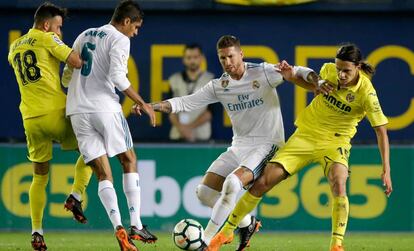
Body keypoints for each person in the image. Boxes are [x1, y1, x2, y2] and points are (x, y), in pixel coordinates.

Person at [208, 44, 393, 251]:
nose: (340, 74)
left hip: (335, 142)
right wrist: (291, 76)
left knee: (339, 183)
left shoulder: (367, 93)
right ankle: (227, 231)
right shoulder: (328, 71)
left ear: (358, 67)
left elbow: (381, 131)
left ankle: (336, 245)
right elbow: (312, 86)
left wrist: (386, 169)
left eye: (346, 70)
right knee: (263, 182)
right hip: (305, 135)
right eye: (338, 68)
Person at [147, 35, 318, 251]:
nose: (227, 62)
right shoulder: (220, 85)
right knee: (204, 193)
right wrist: (151, 106)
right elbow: (184, 103)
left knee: (231, 184)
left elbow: (296, 71)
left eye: (231, 56)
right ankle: (247, 223)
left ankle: (207, 242)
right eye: (222, 59)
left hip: (267, 143)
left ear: (241, 54)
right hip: (239, 146)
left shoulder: (262, 71)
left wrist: (317, 80)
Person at [63, 1, 157, 250]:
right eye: (135, 27)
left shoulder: (84, 35)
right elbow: (117, 77)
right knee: (129, 160)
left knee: (103, 173)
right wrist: (142, 103)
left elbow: (67, 72)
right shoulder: (119, 38)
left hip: (77, 111)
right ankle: (135, 225)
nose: (135, 33)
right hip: (105, 108)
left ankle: (118, 228)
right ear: (126, 21)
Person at [7, 2, 93, 250]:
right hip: (56, 112)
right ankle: (75, 196)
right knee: (95, 149)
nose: (59, 32)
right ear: (46, 25)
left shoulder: (14, 47)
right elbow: (76, 61)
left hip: (30, 119)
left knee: (39, 176)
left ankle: (36, 231)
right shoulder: (47, 39)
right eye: (58, 27)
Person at [168, 43, 214, 142]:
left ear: (201, 58)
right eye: (188, 57)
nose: (192, 61)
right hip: (177, 134)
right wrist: (181, 128)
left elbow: (211, 111)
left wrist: (190, 127)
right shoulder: (173, 80)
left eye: (195, 57)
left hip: (201, 135)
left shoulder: (211, 80)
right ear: (183, 59)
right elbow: (169, 109)